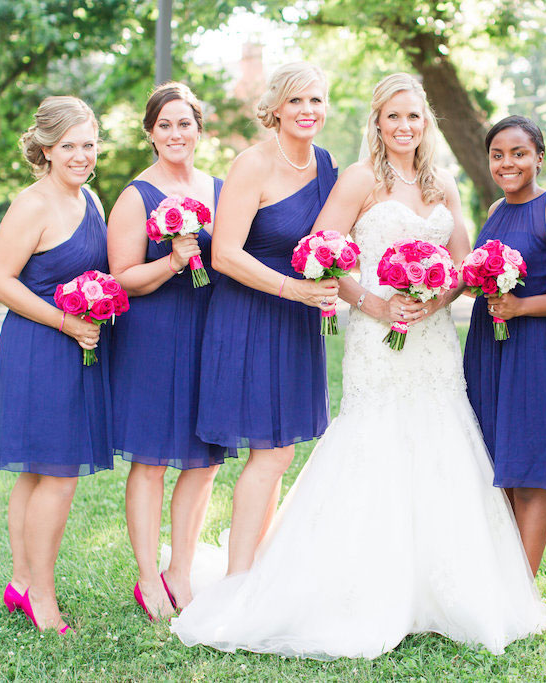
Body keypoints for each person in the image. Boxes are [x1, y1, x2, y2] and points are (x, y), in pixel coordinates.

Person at [171, 73, 546, 659]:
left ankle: (439, 590)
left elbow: (464, 265)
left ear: (427, 123)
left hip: (432, 343)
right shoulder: (358, 179)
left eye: (415, 117)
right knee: (373, 445)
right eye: (393, 116)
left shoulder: (443, 184)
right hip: (377, 338)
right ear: (377, 121)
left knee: (441, 446)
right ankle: (359, 589)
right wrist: (375, 302)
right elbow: (321, 254)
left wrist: (434, 299)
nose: (404, 127)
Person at [195, 63, 339, 575]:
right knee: (271, 453)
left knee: (281, 450)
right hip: (252, 314)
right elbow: (225, 254)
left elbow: (335, 239)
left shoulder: (327, 165)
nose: (307, 111)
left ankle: (256, 564)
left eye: (316, 100)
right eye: (297, 101)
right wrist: (293, 288)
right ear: (275, 108)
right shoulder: (251, 165)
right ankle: (238, 579)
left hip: (298, 322)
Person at [0, 96, 111, 634]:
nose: (81, 156)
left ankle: (20, 582)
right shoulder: (33, 204)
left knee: (40, 473)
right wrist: (66, 322)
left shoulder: (93, 199)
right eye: (68, 147)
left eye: (88, 144)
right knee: (57, 476)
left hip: (79, 348)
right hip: (40, 348)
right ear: (45, 149)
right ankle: (41, 595)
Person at [107, 82, 227, 620]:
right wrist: (176, 261)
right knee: (152, 459)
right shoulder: (137, 195)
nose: (176, 134)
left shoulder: (220, 188)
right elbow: (123, 277)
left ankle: (181, 569)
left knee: (203, 461)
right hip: (153, 333)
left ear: (200, 131)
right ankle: (146, 576)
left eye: (185, 124)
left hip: (210, 329)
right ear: (151, 134)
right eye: (165, 125)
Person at [462, 116, 546, 576]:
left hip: (532, 352)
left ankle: (522, 586)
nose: (507, 163)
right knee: (499, 463)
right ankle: (499, 575)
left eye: (518, 153)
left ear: (539, 156)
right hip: (486, 349)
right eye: (498, 155)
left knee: (530, 472)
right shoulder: (495, 211)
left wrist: (522, 307)